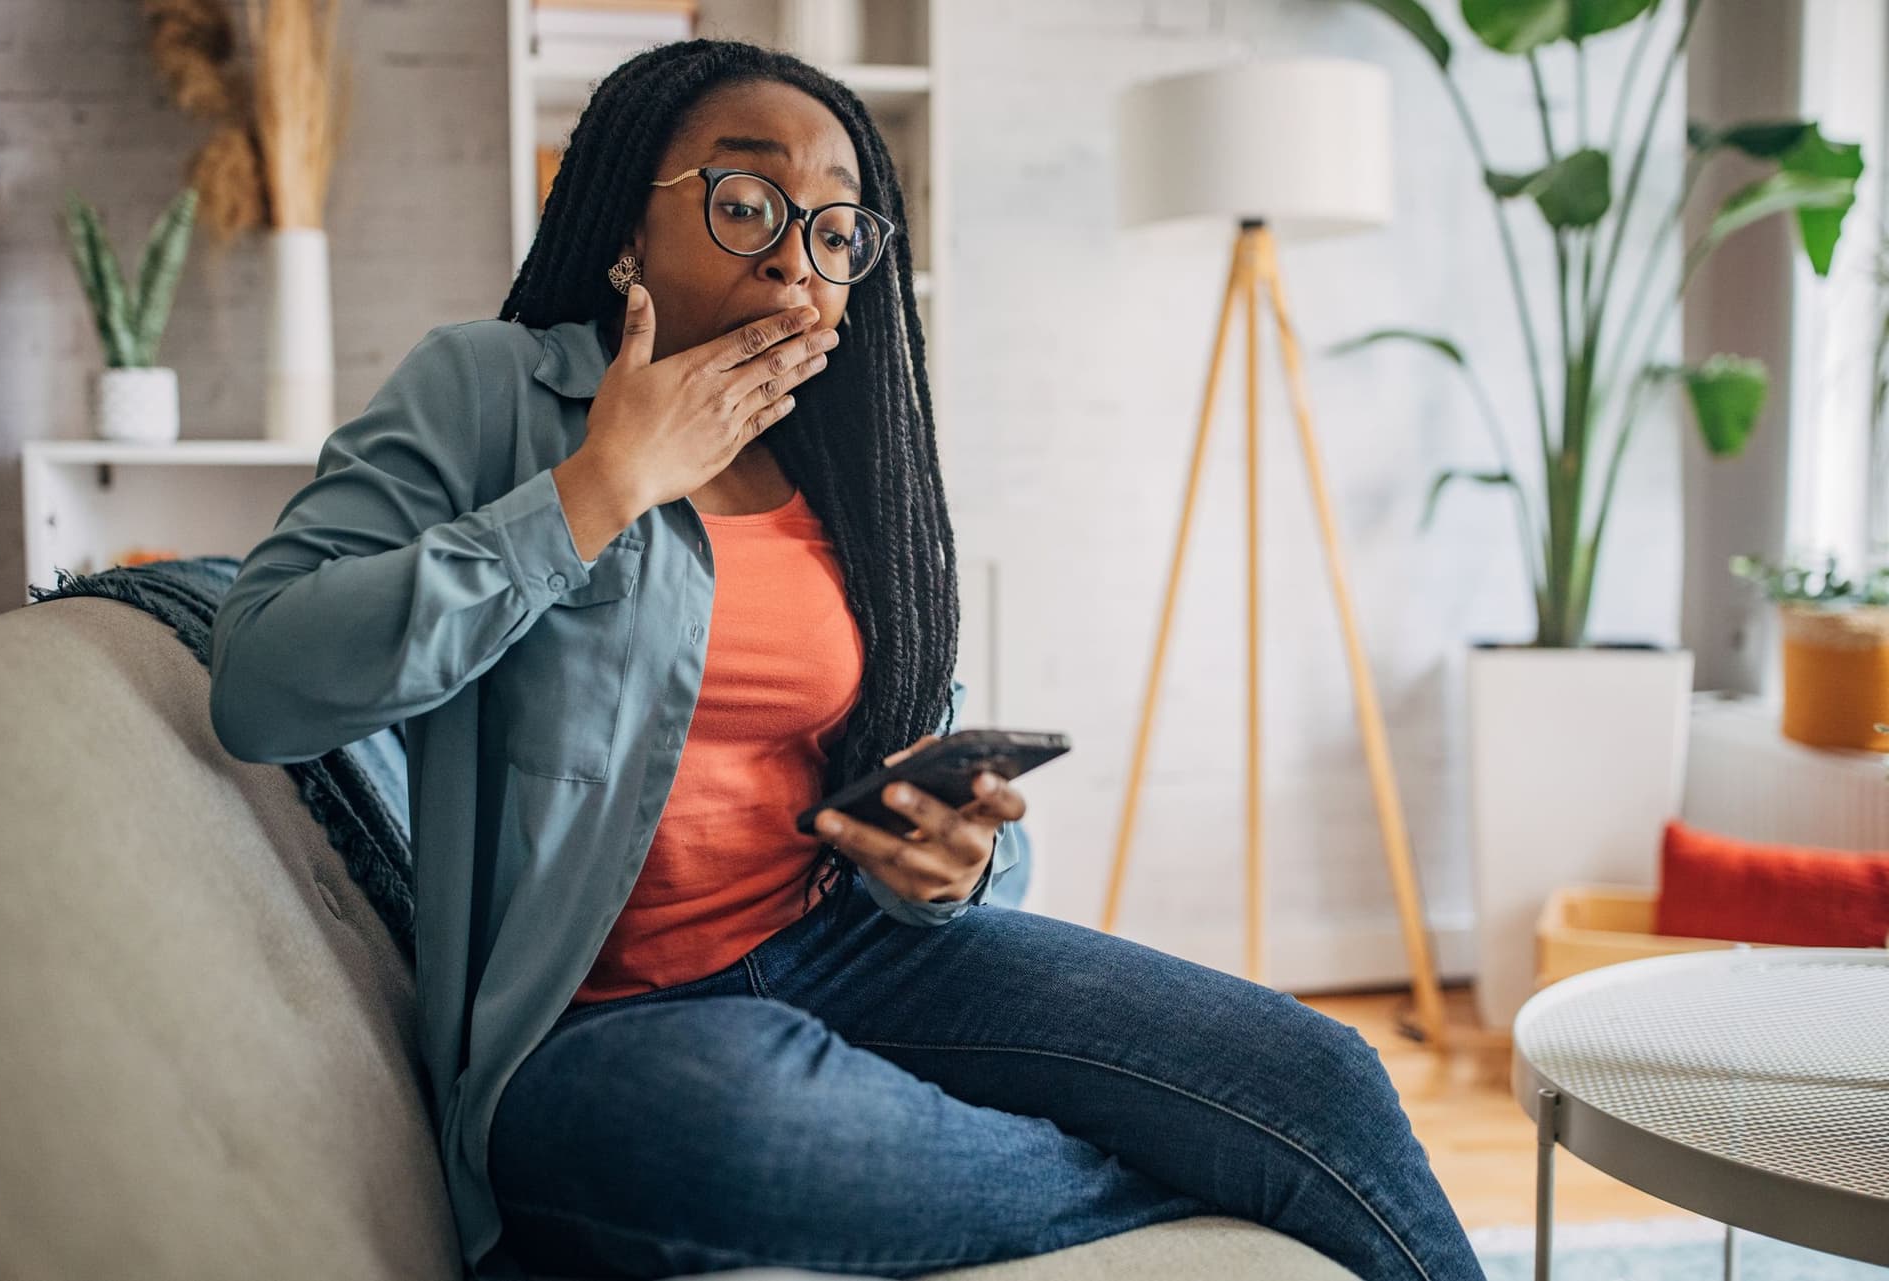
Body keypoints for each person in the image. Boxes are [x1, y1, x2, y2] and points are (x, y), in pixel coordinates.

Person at [208, 37, 1486, 1281]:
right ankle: (1190, 1174)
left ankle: (1239, 1155)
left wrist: (955, 861)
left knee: (1317, 1072)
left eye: (834, 230)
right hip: (598, 1036)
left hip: (853, 950)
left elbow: (934, 774)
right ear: (624, 226)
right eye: (748, 198)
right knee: (758, 1143)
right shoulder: (487, 395)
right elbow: (264, 680)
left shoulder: (846, 463)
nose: (795, 260)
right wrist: (599, 487)